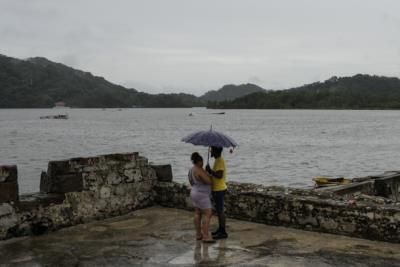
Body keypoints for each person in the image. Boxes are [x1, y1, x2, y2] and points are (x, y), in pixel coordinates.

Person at [188, 152, 216, 243]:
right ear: (198, 161)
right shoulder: (199, 170)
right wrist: (209, 174)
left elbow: (191, 182)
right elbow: (208, 181)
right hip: (202, 194)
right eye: (202, 161)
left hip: (194, 192)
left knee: (197, 213)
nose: (203, 163)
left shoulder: (191, 170)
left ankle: (198, 234)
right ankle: (206, 236)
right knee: (208, 213)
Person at [206, 146, 228, 239]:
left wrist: (210, 171)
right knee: (219, 211)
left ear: (216, 151)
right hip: (217, 189)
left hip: (219, 189)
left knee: (220, 211)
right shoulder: (217, 160)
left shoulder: (220, 161)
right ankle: (220, 229)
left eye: (212, 150)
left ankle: (223, 232)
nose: (211, 151)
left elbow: (219, 175)